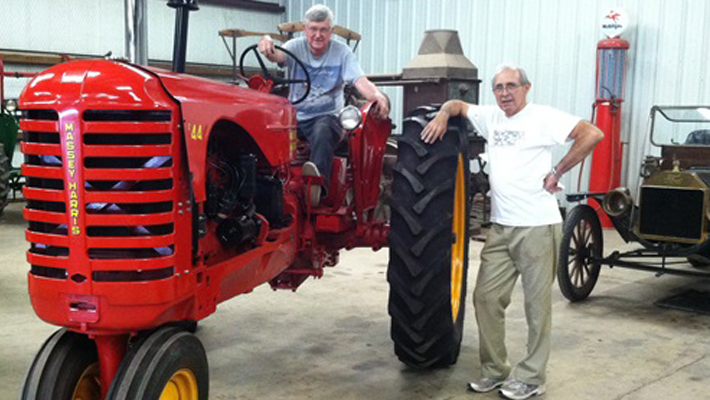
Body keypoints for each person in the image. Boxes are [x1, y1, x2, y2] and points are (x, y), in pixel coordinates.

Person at [420, 65, 603, 400]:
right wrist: (444, 115)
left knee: (537, 306)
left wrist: (558, 170)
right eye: (499, 87)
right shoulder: (492, 118)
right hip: (502, 228)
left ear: (526, 88)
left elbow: (592, 133)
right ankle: (495, 370)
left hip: (537, 226)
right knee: (486, 298)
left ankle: (532, 378)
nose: (505, 93)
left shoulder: (542, 117)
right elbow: (458, 106)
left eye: (511, 86)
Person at [258, 4, 390, 206]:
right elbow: (276, 55)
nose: (317, 35)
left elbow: (359, 80)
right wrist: (267, 43)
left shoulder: (342, 53)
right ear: (305, 29)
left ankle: (316, 186)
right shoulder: (295, 47)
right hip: (296, 119)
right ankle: (265, 187)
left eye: (323, 30)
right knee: (266, 127)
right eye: (313, 29)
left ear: (331, 31)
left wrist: (377, 95)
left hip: (327, 117)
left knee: (323, 129)